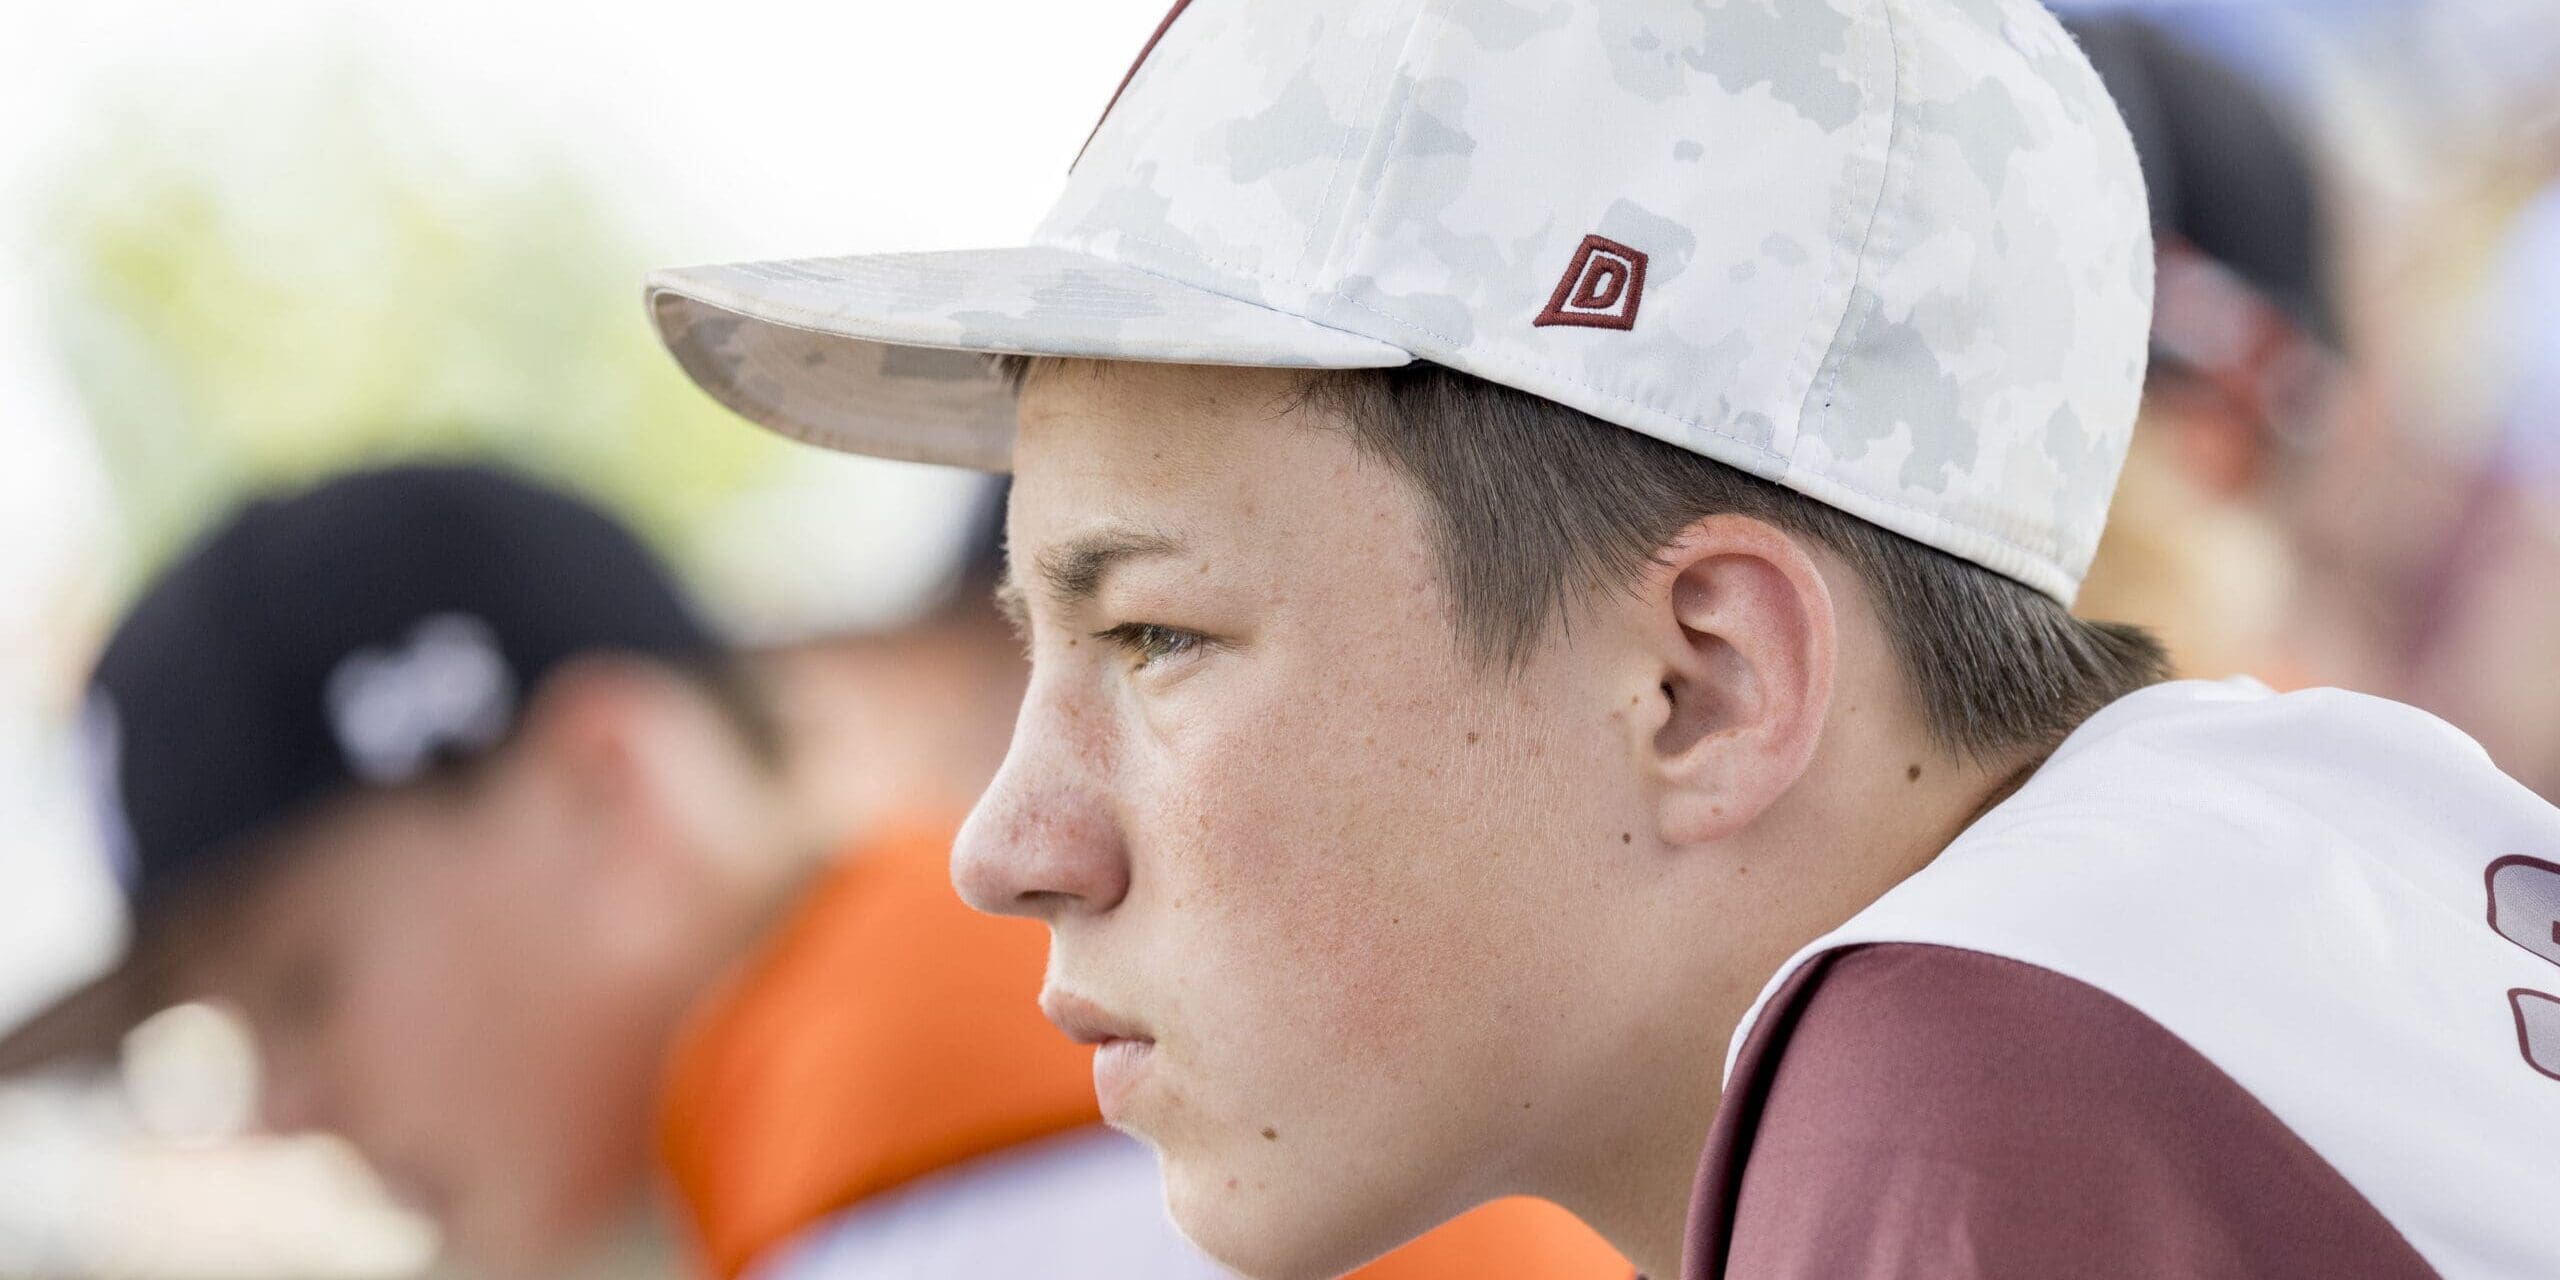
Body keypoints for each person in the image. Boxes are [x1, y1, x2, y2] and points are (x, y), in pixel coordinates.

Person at [644, 1, 2560, 1278]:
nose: (1007, 845)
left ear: (1700, 686)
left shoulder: (1983, 1103)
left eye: (1155, 636)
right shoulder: (2209, 944)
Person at [0, 463, 1627, 1279]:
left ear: (606, 790)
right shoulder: (912, 1074)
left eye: (303, 987)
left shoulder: (924, 1135)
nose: (281, 1101)